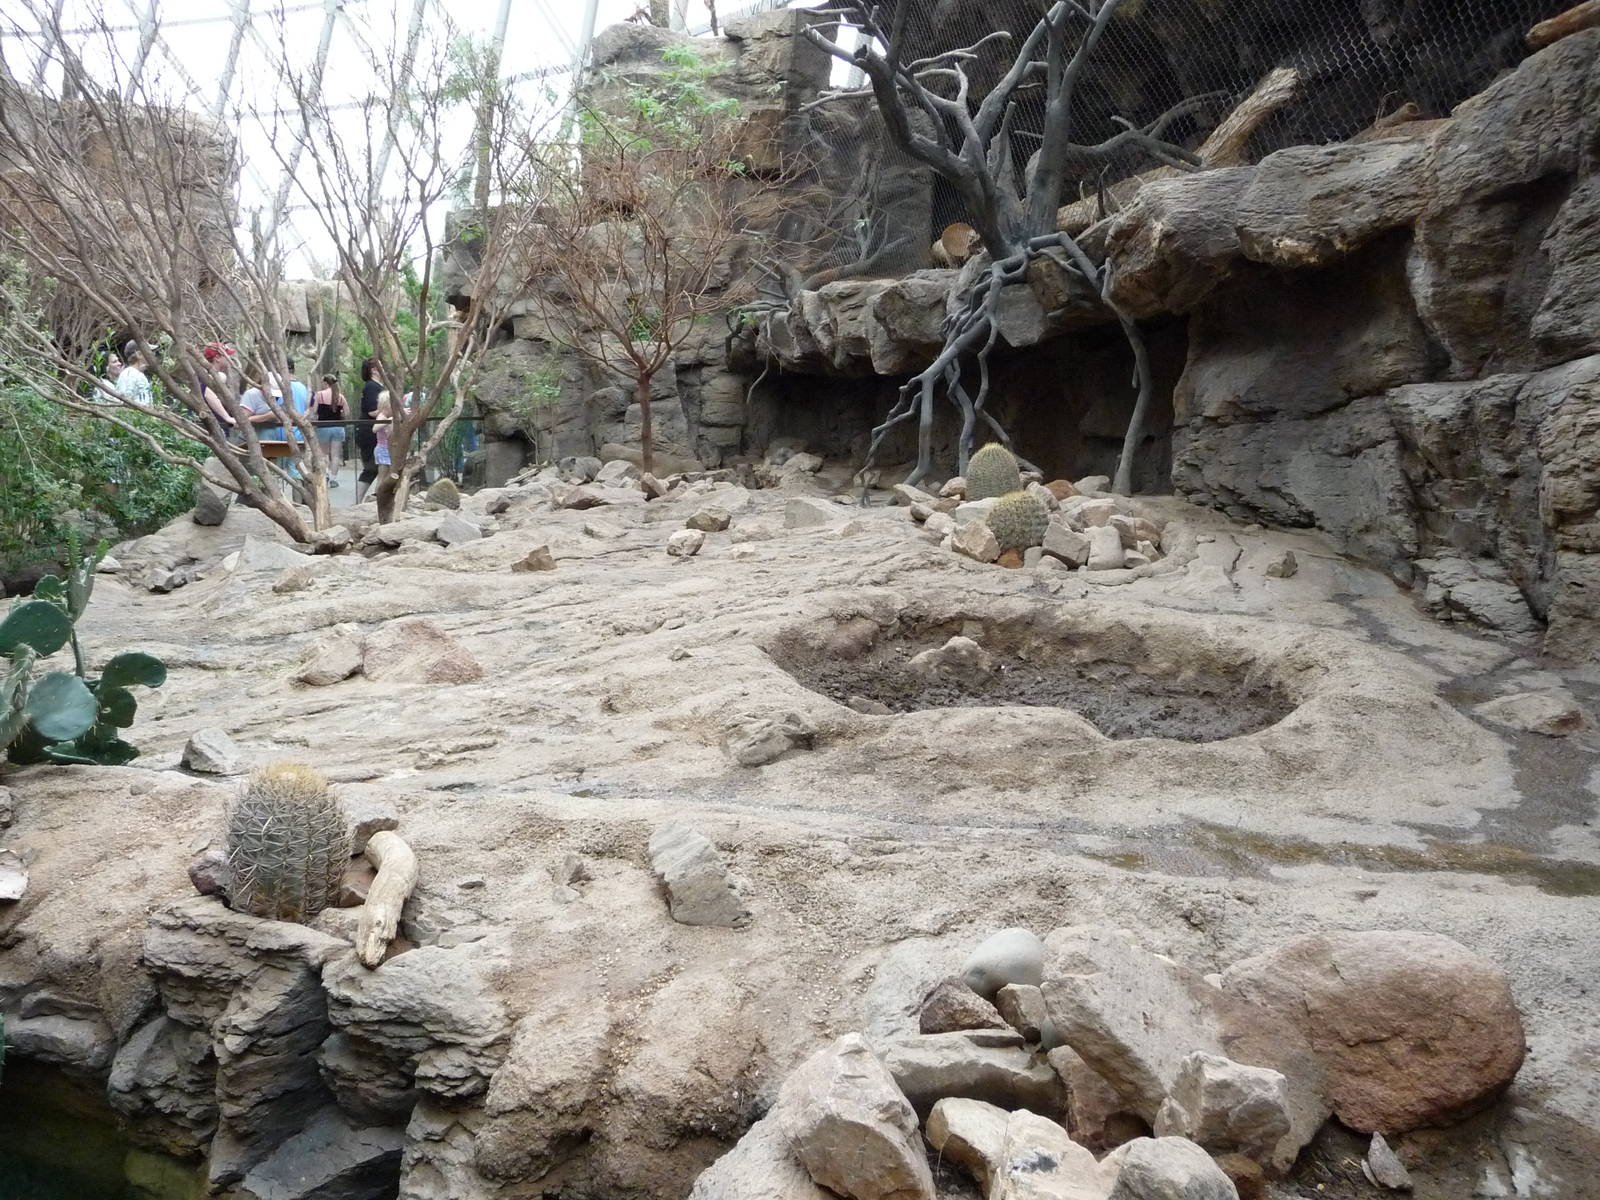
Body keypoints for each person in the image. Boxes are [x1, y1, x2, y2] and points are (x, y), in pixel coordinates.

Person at [354, 359, 383, 504]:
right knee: (371, 467)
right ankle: (358, 501)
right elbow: (372, 411)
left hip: (375, 431)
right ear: (373, 370)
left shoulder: (377, 386)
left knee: (379, 466)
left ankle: (376, 497)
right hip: (368, 431)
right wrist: (391, 410)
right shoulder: (371, 386)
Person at [313, 373, 347, 486]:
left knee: (324, 453)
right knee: (335, 455)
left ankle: (326, 474)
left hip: (323, 427)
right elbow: (346, 412)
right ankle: (333, 479)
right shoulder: (340, 397)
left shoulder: (320, 395)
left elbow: (314, 411)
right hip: (338, 428)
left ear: (325, 383)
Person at [116, 340, 154, 406]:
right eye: (147, 352)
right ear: (139, 354)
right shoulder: (130, 375)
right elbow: (126, 400)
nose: (151, 355)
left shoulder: (136, 373)